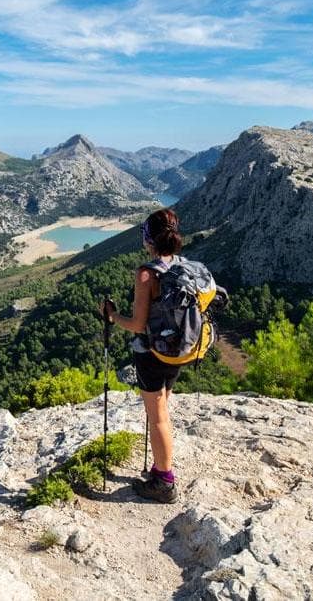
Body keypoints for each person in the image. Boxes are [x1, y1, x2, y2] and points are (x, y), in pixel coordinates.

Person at [99, 208, 183, 504]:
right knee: (162, 411)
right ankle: (160, 465)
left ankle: (164, 482)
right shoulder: (183, 267)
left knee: (157, 416)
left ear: (149, 238)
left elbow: (137, 324)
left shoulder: (147, 273)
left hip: (152, 354)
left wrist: (112, 316)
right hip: (179, 351)